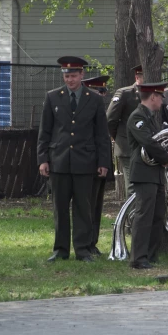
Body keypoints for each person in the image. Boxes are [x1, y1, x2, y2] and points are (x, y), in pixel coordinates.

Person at [37, 56, 111, 262]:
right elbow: (45, 131)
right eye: (67, 76)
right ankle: (60, 250)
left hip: (85, 161)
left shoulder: (94, 99)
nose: (70, 80)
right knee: (60, 209)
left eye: (73, 76)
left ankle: (83, 249)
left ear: (82, 75)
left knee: (83, 208)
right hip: (59, 161)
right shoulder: (53, 97)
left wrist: (103, 162)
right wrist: (43, 159)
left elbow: (102, 135)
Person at [127, 82, 168, 269]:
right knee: (144, 215)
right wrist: (166, 158)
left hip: (155, 173)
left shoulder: (151, 118)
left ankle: (150, 255)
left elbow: (160, 140)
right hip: (144, 172)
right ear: (153, 96)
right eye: (160, 96)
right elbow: (149, 142)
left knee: (157, 215)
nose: (162, 101)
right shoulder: (137, 117)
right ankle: (138, 258)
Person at [81, 75, 112, 256]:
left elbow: (104, 139)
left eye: (103, 91)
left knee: (96, 206)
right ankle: (85, 243)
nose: (101, 94)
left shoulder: (100, 109)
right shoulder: (83, 111)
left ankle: (93, 242)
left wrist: (105, 164)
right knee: (86, 206)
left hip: (99, 164)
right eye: (97, 91)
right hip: (86, 164)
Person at [106, 65, 144, 199]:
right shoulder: (125, 93)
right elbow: (111, 119)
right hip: (128, 146)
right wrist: (118, 137)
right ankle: (130, 217)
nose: (144, 80)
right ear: (136, 77)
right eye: (141, 77)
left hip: (147, 147)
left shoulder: (154, 94)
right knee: (132, 184)